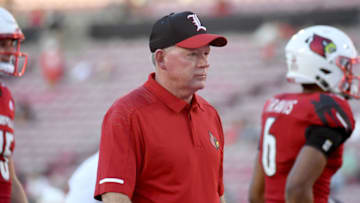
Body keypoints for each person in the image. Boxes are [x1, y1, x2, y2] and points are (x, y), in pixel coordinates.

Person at [94, 11, 227, 203]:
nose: (204, 63)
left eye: (206, 53)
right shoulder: (127, 114)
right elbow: (115, 197)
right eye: (192, 55)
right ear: (161, 58)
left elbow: (217, 193)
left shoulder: (210, 114)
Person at [248, 25, 360, 203]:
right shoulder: (327, 108)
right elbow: (297, 188)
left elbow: (256, 194)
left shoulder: (275, 104)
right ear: (323, 66)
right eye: (344, 65)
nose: (348, 73)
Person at [0, 7, 29, 203]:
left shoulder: (5, 96)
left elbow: (9, 174)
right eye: (3, 44)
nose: (10, 52)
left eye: (12, 43)